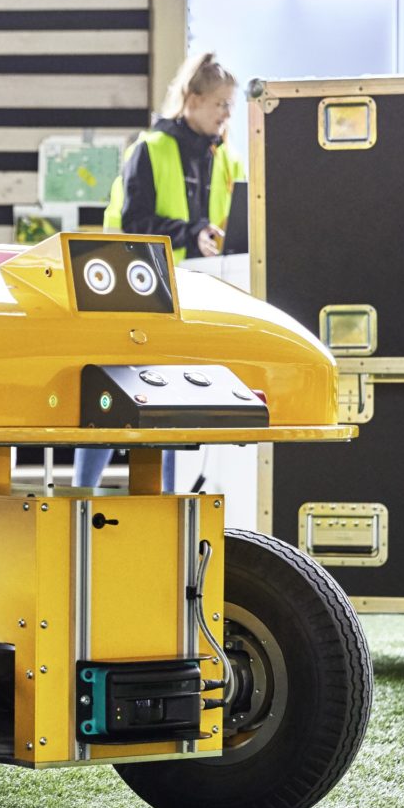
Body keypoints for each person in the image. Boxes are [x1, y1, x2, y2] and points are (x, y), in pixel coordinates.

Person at [81, 52, 247, 491]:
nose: (226, 114)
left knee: (178, 404)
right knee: (109, 397)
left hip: (196, 295)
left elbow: (242, 219)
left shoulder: (226, 158)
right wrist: (192, 234)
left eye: (231, 105)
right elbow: (134, 223)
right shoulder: (150, 149)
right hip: (133, 293)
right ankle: (82, 493)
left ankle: (171, 502)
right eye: (219, 103)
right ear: (191, 99)